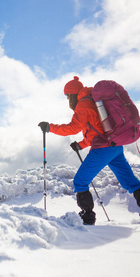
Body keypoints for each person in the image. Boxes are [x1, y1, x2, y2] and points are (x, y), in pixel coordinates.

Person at [38, 76, 140, 225]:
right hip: (115, 146)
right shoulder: (93, 100)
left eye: (67, 96)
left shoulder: (83, 104)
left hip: (103, 149)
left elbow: (72, 128)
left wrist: (50, 127)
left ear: (72, 94)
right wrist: (81, 144)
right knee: (131, 182)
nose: (67, 100)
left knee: (80, 181)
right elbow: (98, 130)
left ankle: (87, 218)